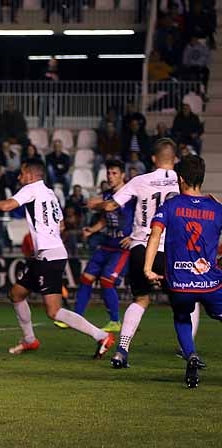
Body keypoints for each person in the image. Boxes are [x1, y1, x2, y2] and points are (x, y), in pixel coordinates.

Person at [0, 160, 115, 357]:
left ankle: (101, 336)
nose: (18, 177)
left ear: (32, 176)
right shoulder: (50, 194)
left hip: (50, 257)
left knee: (54, 311)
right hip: (46, 255)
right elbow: (60, 224)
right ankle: (29, 340)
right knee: (16, 294)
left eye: (21, 174)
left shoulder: (31, 189)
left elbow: (7, 206)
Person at [87, 138, 184, 368]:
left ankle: (122, 350)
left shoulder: (140, 180)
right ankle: (186, 349)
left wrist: (96, 204)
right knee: (184, 300)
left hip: (140, 246)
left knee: (140, 299)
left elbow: (111, 206)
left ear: (153, 159)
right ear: (175, 159)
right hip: (168, 249)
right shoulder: (182, 182)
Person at [143, 155, 220, 387]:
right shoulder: (217, 208)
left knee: (181, 316)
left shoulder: (171, 206)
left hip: (179, 282)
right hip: (210, 282)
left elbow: (155, 235)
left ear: (181, 179)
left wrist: (148, 268)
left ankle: (191, 354)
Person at [73, 160, 132, 331]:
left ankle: (115, 321)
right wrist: (91, 230)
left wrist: (134, 237)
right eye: (108, 173)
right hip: (107, 244)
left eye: (114, 173)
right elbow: (104, 219)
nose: (110, 176)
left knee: (107, 280)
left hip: (122, 248)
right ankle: (76, 317)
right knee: (86, 278)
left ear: (122, 175)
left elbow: (142, 217)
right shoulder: (107, 194)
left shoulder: (130, 194)